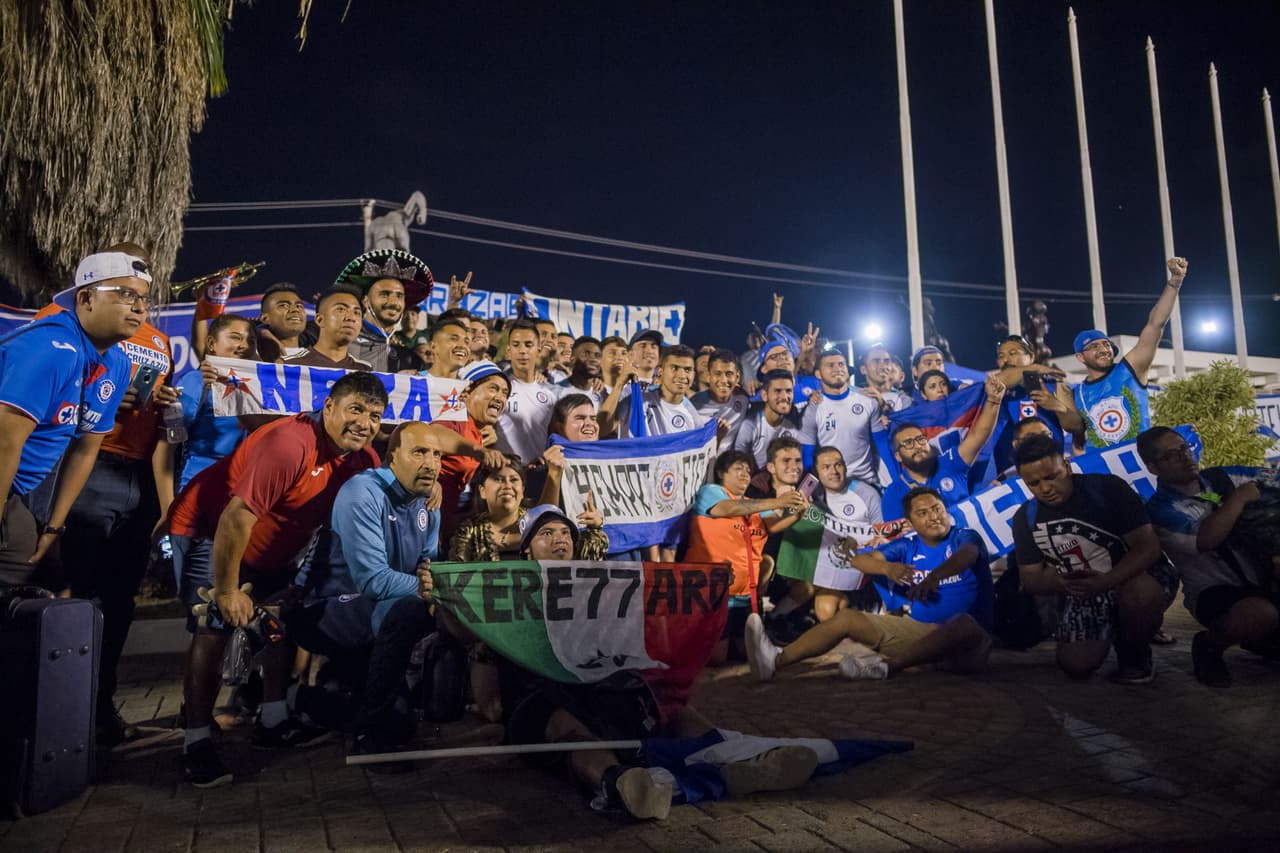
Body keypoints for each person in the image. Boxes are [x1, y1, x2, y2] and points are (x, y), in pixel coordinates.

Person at [489, 504, 817, 820]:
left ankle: (735, 761)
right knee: (563, 723)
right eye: (546, 532)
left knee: (662, 703)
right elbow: (464, 631)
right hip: (540, 705)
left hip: (600, 692)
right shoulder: (502, 594)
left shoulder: (598, 589)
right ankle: (620, 783)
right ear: (527, 551)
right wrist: (440, 597)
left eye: (565, 532)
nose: (560, 538)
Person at [167, 371, 387, 787]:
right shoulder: (290, 444)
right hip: (210, 529)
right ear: (329, 408)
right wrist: (229, 590)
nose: (364, 423)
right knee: (213, 627)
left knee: (278, 623)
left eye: (375, 416)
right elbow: (236, 518)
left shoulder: (365, 460)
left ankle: (273, 720)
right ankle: (195, 740)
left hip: (278, 543)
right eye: (355, 409)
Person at [294, 422, 443, 759]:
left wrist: (437, 588)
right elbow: (374, 580)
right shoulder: (363, 491)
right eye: (420, 452)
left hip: (381, 608)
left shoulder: (428, 501)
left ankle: (315, 700)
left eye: (436, 454)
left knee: (403, 723)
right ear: (392, 457)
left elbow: (427, 569)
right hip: (327, 609)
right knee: (413, 609)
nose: (431, 463)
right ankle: (369, 736)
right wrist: (436, 591)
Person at [746, 487, 994, 681]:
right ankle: (775, 661)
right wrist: (887, 567)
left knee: (963, 623)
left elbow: (968, 555)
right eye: (923, 513)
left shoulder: (963, 536)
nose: (934, 517)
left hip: (969, 645)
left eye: (937, 509)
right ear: (910, 522)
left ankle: (885, 668)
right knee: (847, 619)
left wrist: (934, 577)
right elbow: (860, 560)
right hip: (924, 636)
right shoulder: (908, 545)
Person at [0, 249, 137, 586]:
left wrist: (54, 527)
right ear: (86, 298)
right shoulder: (52, 346)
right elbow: (4, 441)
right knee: (18, 569)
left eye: (144, 298)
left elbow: (85, 450)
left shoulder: (117, 363)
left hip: (15, 488)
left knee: (37, 576)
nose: (139, 307)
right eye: (125, 294)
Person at [1009, 434, 1177, 684]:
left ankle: (1134, 652)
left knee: (1142, 595)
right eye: (1033, 483)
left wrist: (1106, 581)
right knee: (1076, 665)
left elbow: (1148, 547)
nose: (1045, 488)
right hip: (1084, 590)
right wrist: (1062, 584)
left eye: (1051, 477)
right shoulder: (1025, 517)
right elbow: (1030, 579)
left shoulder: (1108, 489)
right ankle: (1113, 629)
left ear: (1066, 465)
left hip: (1131, 577)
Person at [1139, 426, 1279, 686]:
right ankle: (1209, 646)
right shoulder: (1160, 509)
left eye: (1184, 448)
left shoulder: (1221, 477)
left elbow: (1272, 478)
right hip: (1214, 590)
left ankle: (1261, 639)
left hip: (1264, 578)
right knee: (1261, 615)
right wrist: (1238, 499)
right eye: (1171, 455)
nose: (1184, 456)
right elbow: (1205, 540)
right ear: (1153, 467)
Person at [685, 451, 807, 662]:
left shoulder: (754, 503)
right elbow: (725, 509)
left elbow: (775, 525)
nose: (745, 474)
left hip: (745, 595)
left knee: (745, 654)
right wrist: (777, 503)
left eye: (748, 471)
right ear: (722, 473)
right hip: (713, 594)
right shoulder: (710, 492)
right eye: (738, 469)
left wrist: (799, 512)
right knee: (717, 659)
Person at [1073, 258, 1188, 449]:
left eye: (1106, 344)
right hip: (1105, 472)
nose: (1103, 349)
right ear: (1080, 357)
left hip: (1142, 462)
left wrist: (1175, 281)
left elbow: (1155, 325)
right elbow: (1078, 442)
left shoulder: (1131, 368)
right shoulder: (1078, 393)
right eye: (1094, 347)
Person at [774, 445, 885, 623]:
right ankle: (774, 619)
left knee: (829, 609)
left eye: (838, 465)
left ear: (845, 467)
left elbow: (881, 536)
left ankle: (869, 610)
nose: (834, 471)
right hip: (828, 566)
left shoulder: (866, 494)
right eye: (826, 467)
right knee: (823, 607)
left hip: (859, 568)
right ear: (816, 472)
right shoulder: (813, 496)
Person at [881, 375, 1006, 518]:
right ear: (897, 455)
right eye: (908, 443)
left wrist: (994, 401)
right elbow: (896, 537)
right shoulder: (893, 494)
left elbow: (978, 436)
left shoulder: (950, 463)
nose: (917, 446)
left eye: (920, 439)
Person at [178, 314, 256, 488]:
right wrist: (167, 503)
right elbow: (168, 442)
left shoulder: (259, 388)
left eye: (251, 341)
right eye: (235, 337)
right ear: (212, 344)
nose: (244, 345)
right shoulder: (196, 380)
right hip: (197, 485)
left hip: (240, 490)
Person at [987, 335, 1083, 476]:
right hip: (1011, 474)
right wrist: (1036, 368)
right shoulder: (997, 390)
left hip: (1052, 469)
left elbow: (1076, 427)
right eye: (1001, 356)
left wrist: (1058, 407)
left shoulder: (1055, 385)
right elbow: (999, 380)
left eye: (1013, 353)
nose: (1006, 360)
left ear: (1031, 357)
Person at [430, 360, 511, 524]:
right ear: (467, 393)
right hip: (428, 519)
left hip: (448, 525)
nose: (500, 397)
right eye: (493, 388)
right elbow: (433, 436)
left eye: (505, 393)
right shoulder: (455, 417)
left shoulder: (481, 433)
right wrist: (478, 451)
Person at [334, 248, 436, 372]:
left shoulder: (410, 360)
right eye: (384, 294)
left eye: (399, 296)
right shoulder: (337, 343)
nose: (393, 303)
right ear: (365, 301)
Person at [799, 349, 882, 483]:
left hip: (867, 481)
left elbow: (881, 443)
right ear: (818, 374)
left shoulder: (867, 399)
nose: (837, 369)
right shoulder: (812, 408)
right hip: (831, 486)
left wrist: (895, 479)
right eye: (830, 365)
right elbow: (807, 453)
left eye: (841, 364)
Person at [496, 318, 562, 465]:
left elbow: (555, 436)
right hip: (506, 475)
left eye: (528, 345)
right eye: (516, 345)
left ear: (538, 349)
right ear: (508, 350)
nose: (522, 351)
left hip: (539, 475)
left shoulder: (552, 393)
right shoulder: (496, 389)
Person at [610, 345, 707, 438]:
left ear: (693, 374)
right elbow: (604, 429)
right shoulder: (637, 400)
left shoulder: (692, 416)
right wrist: (619, 384)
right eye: (674, 368)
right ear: (660, 371)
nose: (681, 375)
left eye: (687, 369)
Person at [283, 285, 373, 370]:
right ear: (319, 320)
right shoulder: (289, 365)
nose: (351, 318)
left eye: (356, 313)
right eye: (341, 309)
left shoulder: (365, 369)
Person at [733, 370, 803, 469]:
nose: (784, 397)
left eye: (788, 391)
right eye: (777, 391)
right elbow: (739, 462)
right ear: (765, 395)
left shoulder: (794, 424)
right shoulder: (750, 425)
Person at [691, 348, 751, 450]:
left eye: (729, 374)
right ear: (709, 376)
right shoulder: (694, 406)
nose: (723, 380)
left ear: (737, 377)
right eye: (718, 374)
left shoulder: (743, 399)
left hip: (732, 462)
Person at [255, 282, 308, 362]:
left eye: (299, 306)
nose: (295, 309)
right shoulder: (249, 355)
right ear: (265, 318)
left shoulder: (321, 359)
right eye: (284, 305)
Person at [557, 335, 606, 407]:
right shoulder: (556, 392)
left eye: (597, 355)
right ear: (572, 359)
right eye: (585, 354)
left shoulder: (603, 394)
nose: (593, 359)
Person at [858, 344, 909, 412]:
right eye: (876, 361)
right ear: (863, 370)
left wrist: (882, 403)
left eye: (886, 361)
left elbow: (904, 421)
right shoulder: (854, 397)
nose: (883, 367)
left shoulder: (903, 399)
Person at [423, 313, 472, 380]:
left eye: (466, 342)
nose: (463, 346)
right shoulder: (412, 382)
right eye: (454, 339)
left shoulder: (469, 387)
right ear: (433, 347)